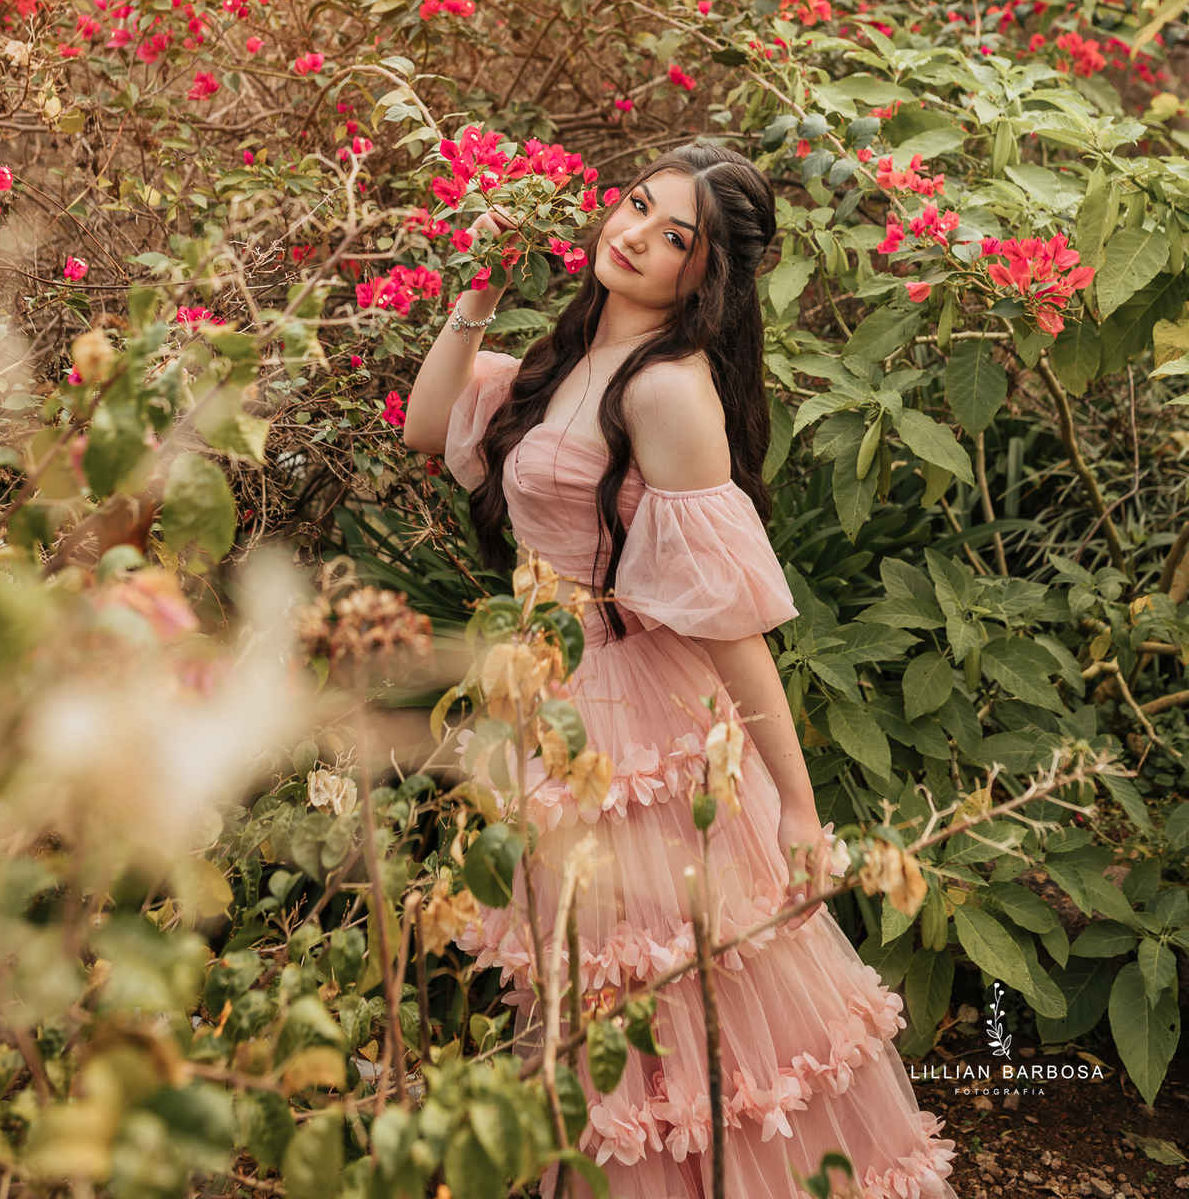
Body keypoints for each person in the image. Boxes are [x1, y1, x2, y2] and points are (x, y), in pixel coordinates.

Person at [405, 141, 956, 1199]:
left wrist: (798, 809)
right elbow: (431, 427)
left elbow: (730, 626)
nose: (633, 236)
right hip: (553, 700)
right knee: (600, 989)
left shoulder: (665, 391)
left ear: (704, 275)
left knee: (684, 995)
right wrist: (478, 287)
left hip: (638, 715)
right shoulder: (570, 357)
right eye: (634, 205)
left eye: (673, 236)